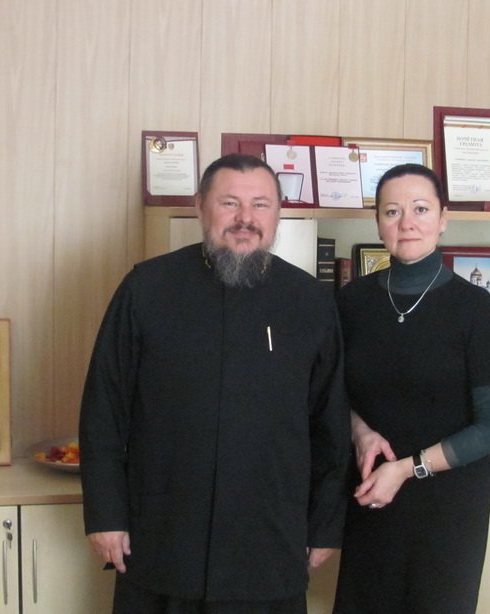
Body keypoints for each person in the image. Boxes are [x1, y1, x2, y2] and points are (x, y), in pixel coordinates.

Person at [79, 153, 350, 613]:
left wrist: (324, 526)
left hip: (269, 541)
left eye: (260, 205)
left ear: (277, 213)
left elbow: (331, 423)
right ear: (200, 206)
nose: (246, 219)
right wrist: (106, 515)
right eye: (230, 203)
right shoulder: (146, 289)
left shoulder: (310, 301)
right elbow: (103, 410)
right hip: (162, 537)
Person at [332, 163, 490, 613]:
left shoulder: (474, 308)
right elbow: (331, 391)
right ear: (378, 222)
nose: (406, 223)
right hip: (371, 493)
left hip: (448, 504)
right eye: (392, 211)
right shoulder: (351, 301)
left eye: (420, 209)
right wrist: (360, 431)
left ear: (443, 218)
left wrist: (407, 469)